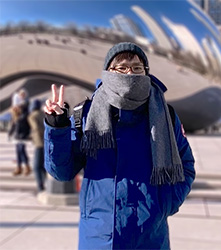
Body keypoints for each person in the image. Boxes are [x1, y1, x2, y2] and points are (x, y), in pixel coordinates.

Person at [44, 42, 195, 250]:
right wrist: (57, 126)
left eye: (136, 68)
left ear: (146, 73)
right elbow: (62, 171)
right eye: (121, 68)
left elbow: (185, 163)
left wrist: (166, 203)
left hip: (150, 236)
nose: (129, 73)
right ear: (108, 72)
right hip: (100, 236)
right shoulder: (85, 114)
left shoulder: (164, 115)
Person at [9, 88, 31, 176]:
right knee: (18, 150)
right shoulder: (16, 110)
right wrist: (10, 133)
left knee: (21, 150)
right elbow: (14, 123)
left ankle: (26, 166)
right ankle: (19, 167)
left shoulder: (25, 107)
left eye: (23, 94)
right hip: (17, 133)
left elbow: (23, 120)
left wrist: (17, 110)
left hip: (23, 133)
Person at [28, 99, 46, 192]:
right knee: (43, 165)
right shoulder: (43, 114)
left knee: (36, 166)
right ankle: (46, 181)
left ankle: (40, 185)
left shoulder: (32, 116)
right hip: (45, 142)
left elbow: (35, 128)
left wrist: (32, 135)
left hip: (39, 143)